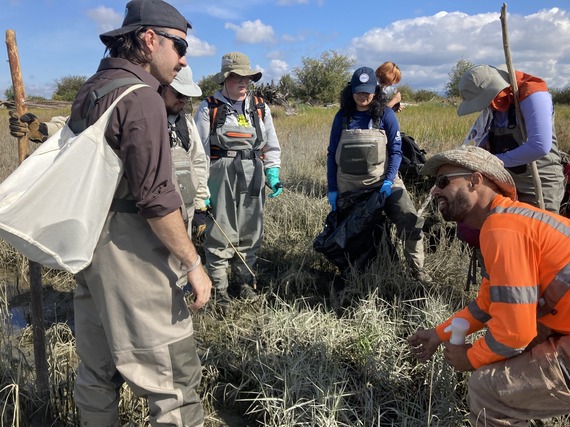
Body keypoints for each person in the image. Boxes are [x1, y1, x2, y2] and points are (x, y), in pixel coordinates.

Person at [66, 1, 212, 425]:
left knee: (96, 373)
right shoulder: (143, 96)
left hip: (89, 244)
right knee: (174, 381)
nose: (183, 59)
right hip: (134, 252)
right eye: (180, 46)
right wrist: (193, 263)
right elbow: (155, 196)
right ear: (150, 39)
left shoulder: (93, 89)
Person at [408, 145, 570, 426]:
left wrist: (470, 359)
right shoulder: (509, 222)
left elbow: (514, 334)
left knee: (487, 389)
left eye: (444, 181)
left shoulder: (502, 229)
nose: (435, 191)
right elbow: (486, 306)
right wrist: (439, 334)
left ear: (476, 180)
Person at [9, 66, 210, 240]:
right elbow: (76, 125)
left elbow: (198, 162)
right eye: (178, 94)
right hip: (136, 220)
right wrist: (43, 129)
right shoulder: (133, 108)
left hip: (183, 211)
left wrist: (200, 205)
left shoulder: (187, 123)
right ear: (161, 87)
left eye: (187, 96)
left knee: (180, 270)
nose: (183, 100)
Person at [326, 66, 430, 283]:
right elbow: (331, 154)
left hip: (384, 182)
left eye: (367, 91)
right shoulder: (342, 117)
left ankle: (417, 270)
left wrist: (389, 181)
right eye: (358, 91)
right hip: (350, 186)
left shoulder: (386, 115)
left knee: (410, 219)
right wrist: (333, 190)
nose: (363, 95)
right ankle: (354, 273)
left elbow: (396, 151)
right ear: (351, 91)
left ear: (375, 90)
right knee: (353, 232)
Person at [194, 51, 282, 304]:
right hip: (220, 174)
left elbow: (271, 145)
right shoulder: (208, 107)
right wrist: (201, 191)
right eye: (237, 78)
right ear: (225, 79)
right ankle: (219, 289)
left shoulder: (260, 106)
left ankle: (246, 283)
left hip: (253, 172)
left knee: (251, 231)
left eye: (247, 78)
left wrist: (272, 171)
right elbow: (199, 153)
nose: (244, 83)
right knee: (220, 231)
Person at [458, 64, 565, 213]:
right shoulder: (496, 104)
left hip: (538, 183)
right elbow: (484, 134)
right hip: (508, 183)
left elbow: (539, 146)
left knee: (537, 232)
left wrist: (493, 162)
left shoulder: (533, 95)